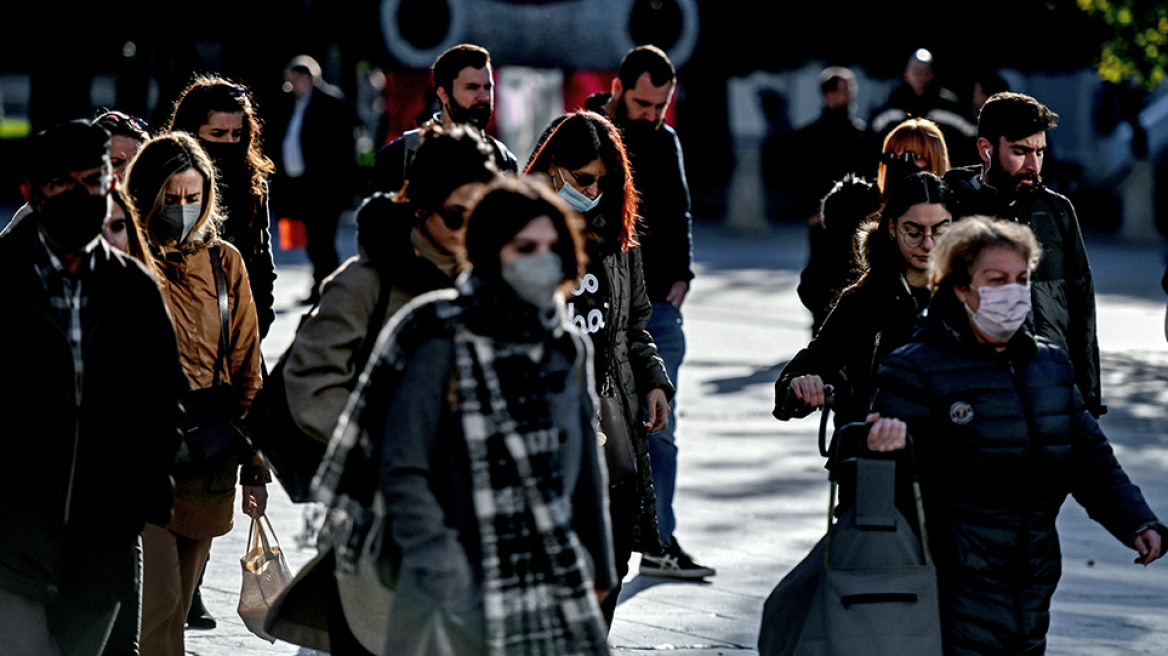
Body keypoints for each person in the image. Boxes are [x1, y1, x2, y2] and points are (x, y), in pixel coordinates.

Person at [316, 177, 616, 655]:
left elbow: (585, 473)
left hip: (553, 579)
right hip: (450, 599)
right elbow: (404, 472)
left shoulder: (565, 346)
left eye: (552, 246)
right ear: (491, 249)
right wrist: (453, 580)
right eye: (525, 246)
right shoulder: (438, 335)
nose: (543, 258)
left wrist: (599, 568)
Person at [865, 214, 1166, 654]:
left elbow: (1090, 458)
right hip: (953, 577)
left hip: (1033, 573)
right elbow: (884, 484)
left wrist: (1136, 520)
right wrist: (886, 450)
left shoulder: (1050, 365)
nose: (1012, 291)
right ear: (959, 287)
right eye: (996, 279)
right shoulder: (914, 368)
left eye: (1021, 278)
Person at [0, 119, 185, 656]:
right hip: (12, 542)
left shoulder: (134, 290)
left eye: (92, 180)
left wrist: (142, 498)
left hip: (102, 543)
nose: (79, 196)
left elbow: (160, 403)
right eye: (61, 183)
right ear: (31, 192)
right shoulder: (5, 281)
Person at [526, 110, 678, 625]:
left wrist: (654, 379)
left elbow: (635, 323)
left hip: (610, 415)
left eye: (603, 182)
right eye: (585, 179)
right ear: (553, 169)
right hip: (546, 422)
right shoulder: (519, 231)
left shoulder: (615, 234)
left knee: (612, 552)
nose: (593, 191)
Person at [123, 132, 268, 656]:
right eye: (170, 198)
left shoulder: (224, 263)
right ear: (145, 195)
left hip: (206, 456)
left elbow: (248, 366)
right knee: (156, 603)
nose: (182, 210)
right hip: (141, 453)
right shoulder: (126, 259)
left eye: (192, 198)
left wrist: (255, 466)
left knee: (176, 611)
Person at [285, 123, 499, 447]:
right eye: (456, 214)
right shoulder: (364, 282)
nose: (467, 228)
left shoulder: (488, 283)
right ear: (423, 203)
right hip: (381, 483)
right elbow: (312, 384)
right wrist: (381, 446)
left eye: (479, 215)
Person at [584, 45, 713, 581]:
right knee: (592, 423)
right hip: (592, 303)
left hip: (655, 306)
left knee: (659, 425)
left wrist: (681, 280)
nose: (650, 115)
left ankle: (659, 540)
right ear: (618, 88)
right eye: (641, 103)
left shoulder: (666, 141)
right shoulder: (582, 131)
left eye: (660, 106)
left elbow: (680, 211)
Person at [943, 91, 1104, 417]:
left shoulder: (1058, 211)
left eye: (1040, 152)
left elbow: (1081, 307)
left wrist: (1087, 397)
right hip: (972, 391)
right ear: (987, 149)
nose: (1033, 164)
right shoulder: (950, 206)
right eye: (1020, 152)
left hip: (1050, 388)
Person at [775, 172, 951, 428]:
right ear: (892, 227)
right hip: (872, 448)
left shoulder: (971, 298)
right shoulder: (865, 298)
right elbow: (808, 365)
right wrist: (800, 382)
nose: (927, 244)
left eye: (940, 232)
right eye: (913, 232)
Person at [799, 117, 950, 336]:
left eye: (913, 158)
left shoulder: (954, 211)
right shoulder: (856, 207)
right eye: (893, 157)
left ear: (934, 161)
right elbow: (815, 284)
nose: (901, 165)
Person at [166, 75, 278, 338]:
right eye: (217, 134)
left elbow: (261, 260)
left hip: (242, 327)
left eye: (236, 134)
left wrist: (260, 317)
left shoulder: (251, 183)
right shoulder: (167, 182)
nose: (229, 142)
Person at [270, 54, 359, 305]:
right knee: (311, 240)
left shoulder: (329, 103)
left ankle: (332, 288)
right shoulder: (291, 103)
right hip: (300, 186)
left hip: (324, 187)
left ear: (308, 78)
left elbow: (342, 147)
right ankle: (319, 285)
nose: (291, 86)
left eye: (295, 80)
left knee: (324, 241)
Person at [372, 43, 518, 194]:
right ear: (443, 94)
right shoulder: (398, 157)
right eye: (472, 87)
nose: (483, 97)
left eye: (487, 87)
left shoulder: (503, 159)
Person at [788, 66, 877, 222]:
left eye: (851, 90)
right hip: (822, 219)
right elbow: (796, 176)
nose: (850, 95)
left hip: (855, 218)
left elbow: (871, 173)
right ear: (828, 94)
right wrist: (809, 210)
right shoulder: (809, 136)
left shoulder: (862, 133)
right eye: (844, 90)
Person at [869, 48, 977, 168]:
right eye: (916, 71)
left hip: (942, 174)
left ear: (931, 74)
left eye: (925, 71)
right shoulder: (892, 104)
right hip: (900, 175)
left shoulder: (949, 106)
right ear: (906, 73)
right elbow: (872, 142)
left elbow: (971, 137)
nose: (920, 76)